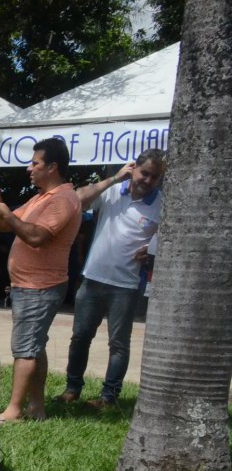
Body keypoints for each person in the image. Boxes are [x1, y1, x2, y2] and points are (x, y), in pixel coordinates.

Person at [0, 137, 82, 423]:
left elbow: (37, 237)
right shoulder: (41, 198)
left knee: (24, 349)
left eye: (35, 163)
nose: (29, 168)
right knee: (34, 345)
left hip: (40, 286)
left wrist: (10, 218)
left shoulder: (63, 199)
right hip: (30, 285)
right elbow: (4, 225)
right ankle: (36, 407)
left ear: (53, 166)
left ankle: (14, 410)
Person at [55, 149, 165, 409]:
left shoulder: (161, 204)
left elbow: (170, 237)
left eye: (154, 177)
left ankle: (109, 397)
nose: (147, 180)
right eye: (144, 173)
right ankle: (72, 389)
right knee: (81, 336)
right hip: (93, 278)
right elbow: (77, 200)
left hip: (126, 286)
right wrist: (113, 179)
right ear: (133, 168)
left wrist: (153, 248)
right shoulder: (114, 191)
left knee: (118, 343)